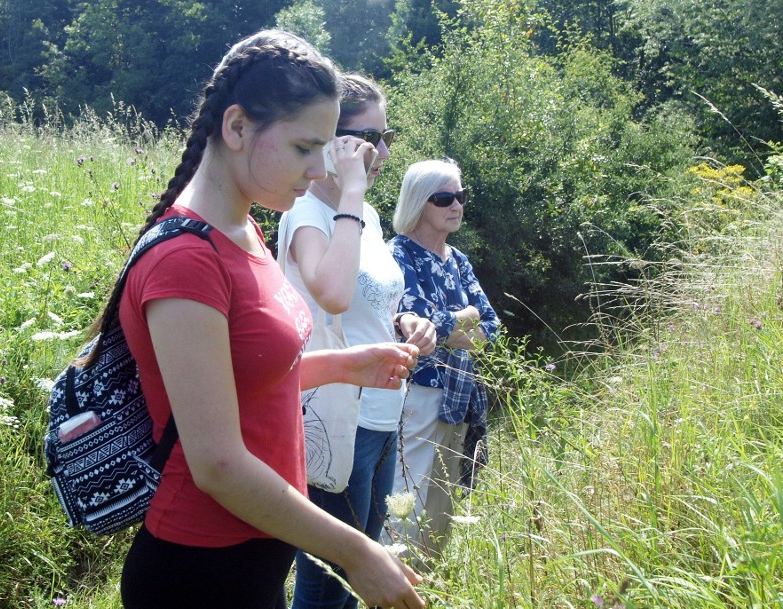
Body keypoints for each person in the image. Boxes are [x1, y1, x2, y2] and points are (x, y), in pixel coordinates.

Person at [77, 30, 425, 609]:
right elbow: (216, 463)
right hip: (200, 569)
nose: (319, 169)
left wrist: (342, 365)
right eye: (304, 148)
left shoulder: (244, 229)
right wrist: (357, 551)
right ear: (237, 128)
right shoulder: (186, 259)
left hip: (258, 550)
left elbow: (243, 382)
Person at [278, 74, 436, 609]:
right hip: (335, 417)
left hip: (385, 408)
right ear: (336, 139)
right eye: (373, 139)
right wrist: (350, 187)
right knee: (329, 582)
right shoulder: (306, 212)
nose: (384, 153)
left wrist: (408, 322)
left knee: (362, 570)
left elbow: (373, 302)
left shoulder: (363, 213)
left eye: (386, 136)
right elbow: (333, 293)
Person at [385, 159, 500, 564]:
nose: (457, 205)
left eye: (460, 196)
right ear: (419, 201)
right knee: (406, 495)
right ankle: (393, 582)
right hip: (418, 393)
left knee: (443, 503)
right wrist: (461, 318)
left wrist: (452, 326)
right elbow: (421, 334)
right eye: (444, 197)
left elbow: (491, 327)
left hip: (460, 395)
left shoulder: (459, 260)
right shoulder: (398, 255)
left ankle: (426, 585)